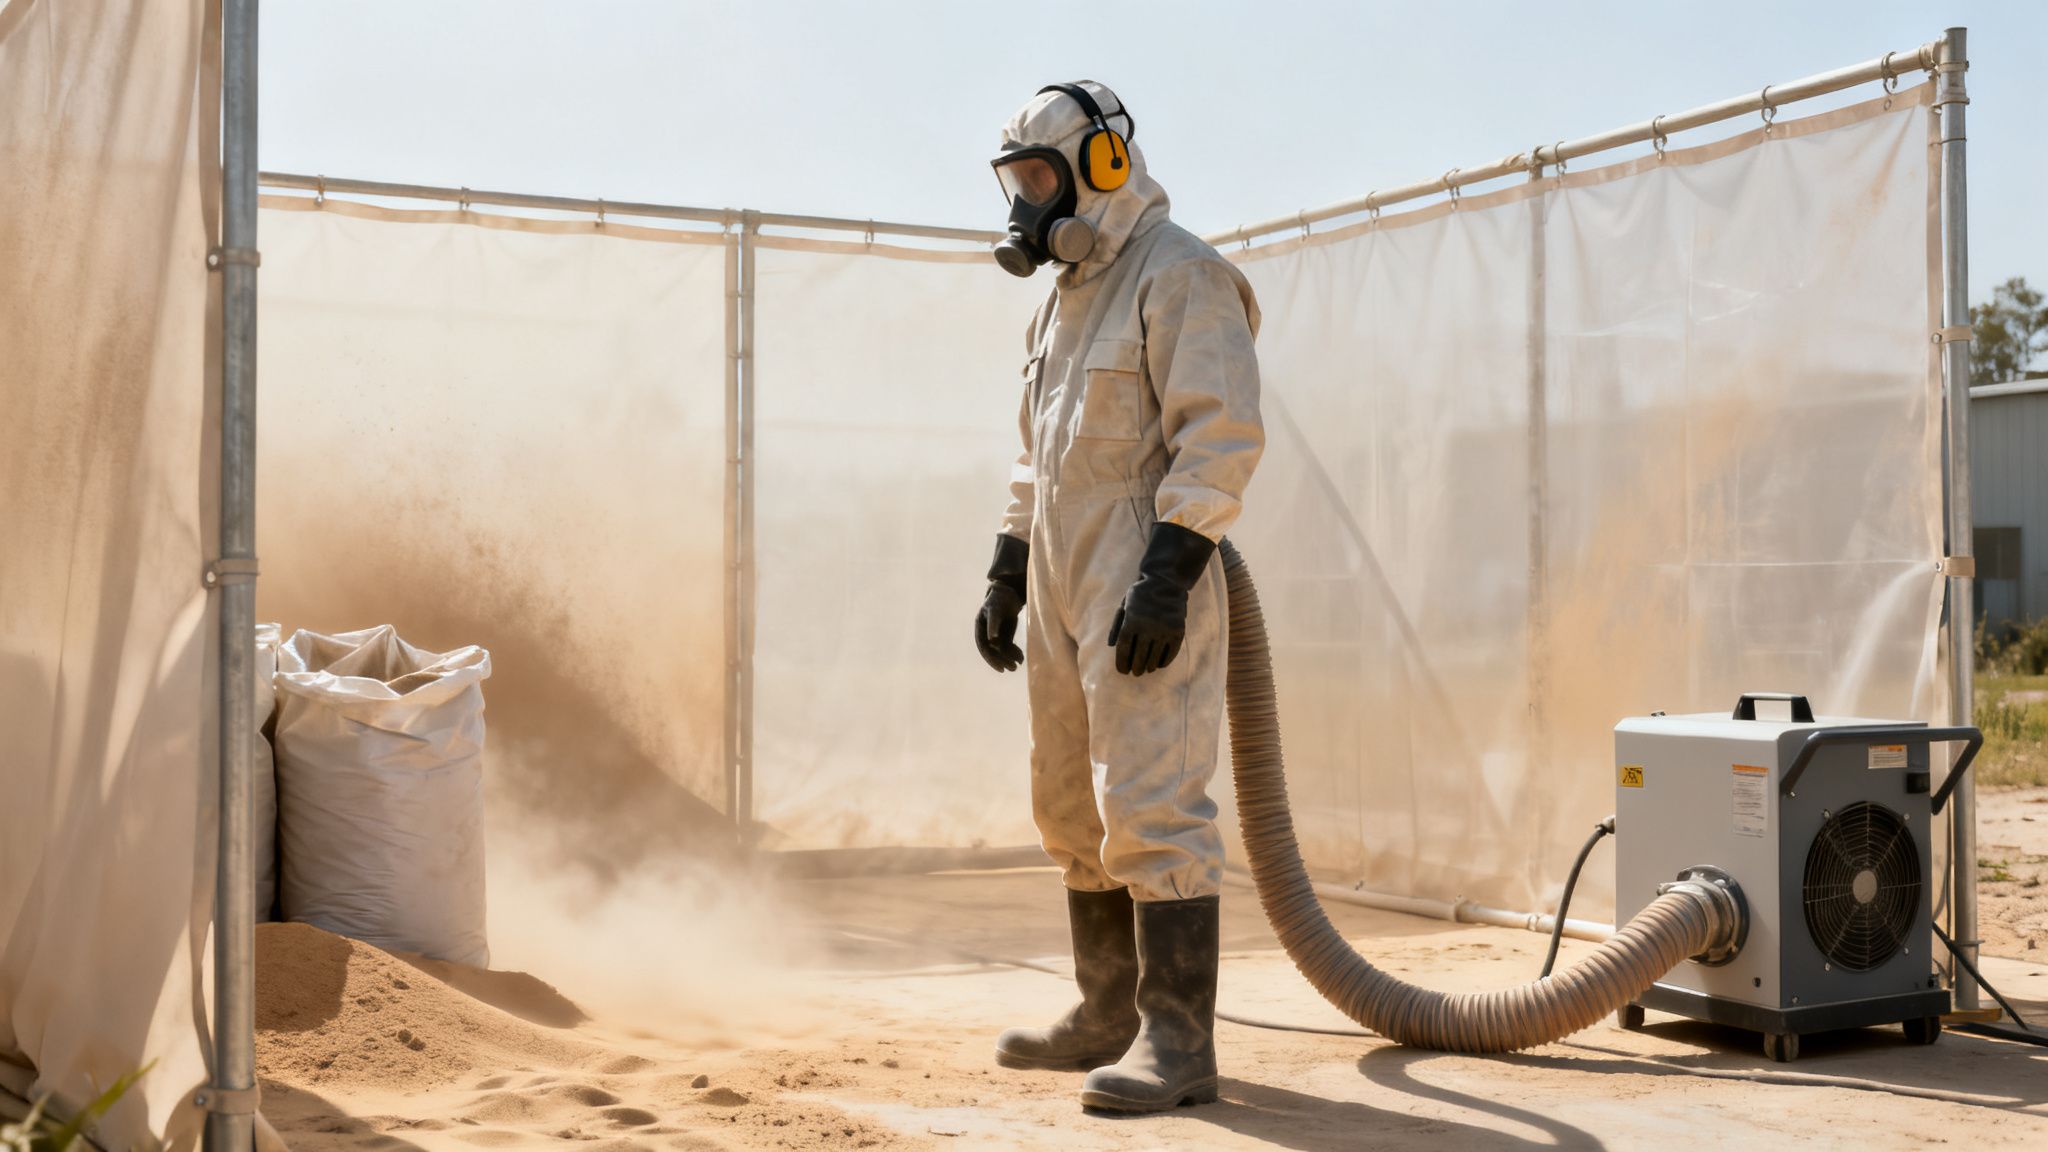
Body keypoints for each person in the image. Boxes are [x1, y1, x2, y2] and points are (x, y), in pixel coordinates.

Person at [972, 80, 1264, 1113]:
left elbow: (1219, 434)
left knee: (1150, 801)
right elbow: (1037, 457)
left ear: (1101, 166)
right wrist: (1008, 569)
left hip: (1141, 571)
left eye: (1039, 178)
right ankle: (1105, 1014)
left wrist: (1168, 574)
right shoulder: (1059, 302)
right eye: (1015, 182)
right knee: (1067, 798)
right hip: (1063, 570)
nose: (1026, 202)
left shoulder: (1180, 274)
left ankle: (1178, 1044)